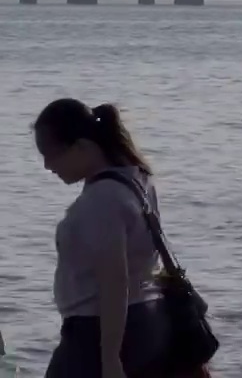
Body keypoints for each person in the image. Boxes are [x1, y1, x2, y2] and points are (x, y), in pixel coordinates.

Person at [36, 99, 172, 378]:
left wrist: (110, 359)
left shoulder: (102, 199)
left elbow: (114, 281)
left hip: (95, 334)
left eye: (52, 154)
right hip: (144, 320)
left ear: (83, 146)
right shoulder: (137, 178)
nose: (48, 166)